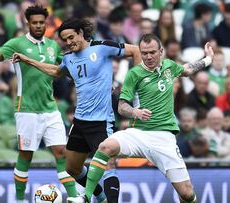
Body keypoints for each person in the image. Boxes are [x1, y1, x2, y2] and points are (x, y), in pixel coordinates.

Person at [67, 33, 214, 203]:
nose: (148, 57)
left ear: (161, 51)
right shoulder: (134, 74)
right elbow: (122, 107)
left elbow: (188, 69)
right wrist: (135, 112)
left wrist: (208, 59)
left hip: (163, 138)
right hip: (138, 133)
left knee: (187, 194)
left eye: (152, 52)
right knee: (105, 146)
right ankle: (86, 196)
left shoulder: (169, 66)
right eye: (144, 53)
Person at [0, 5, 79, 202]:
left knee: (61, 152)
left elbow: (64, 68)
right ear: (27, 23)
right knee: (26, 154)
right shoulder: (17, 43)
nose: (38, 26)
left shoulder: (52, 46)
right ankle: (20, 199)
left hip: (50, 108)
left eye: (41, 22)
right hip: (27, 109)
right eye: (35, 22)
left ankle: (74, 197)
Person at [12, 18, 141, 203]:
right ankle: (101, 197)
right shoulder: (69, 58)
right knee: (72, 169)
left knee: (108, 164)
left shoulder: (102, 47)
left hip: (101, 120)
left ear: (81, 33)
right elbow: (56, 72)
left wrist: (132, 91)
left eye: (71, 37)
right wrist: (28, 60)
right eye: (65, 40)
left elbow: (135, 51)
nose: (69, 42)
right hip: (80, 121)